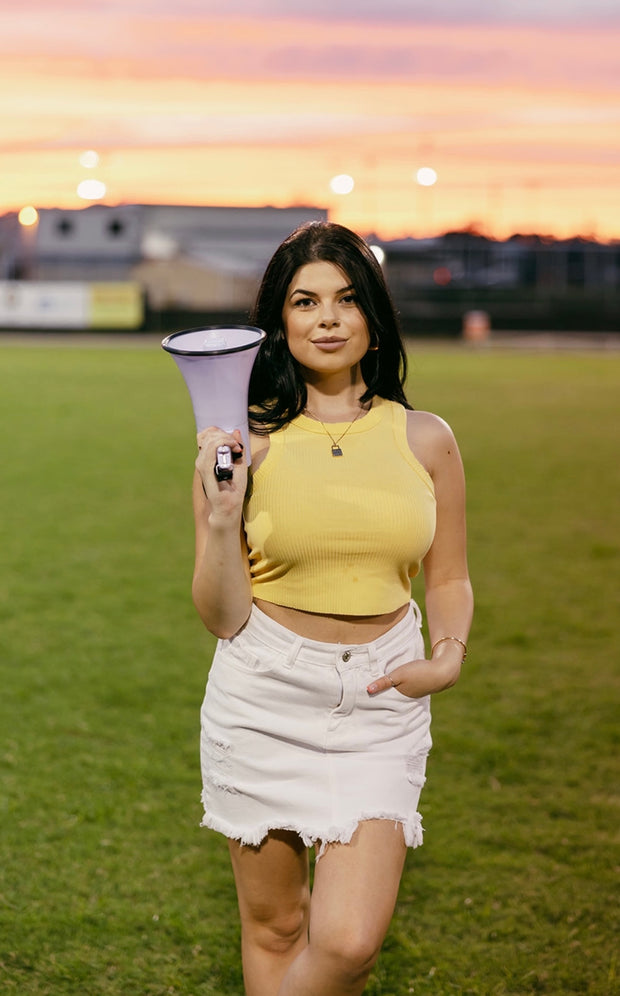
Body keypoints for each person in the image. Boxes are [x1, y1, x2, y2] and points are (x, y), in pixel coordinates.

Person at [192, 221, 473, 996]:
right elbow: (220, 615)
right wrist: (221, 519)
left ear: (372, 317)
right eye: (305, 300)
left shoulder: (426, 439)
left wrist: (447, 652)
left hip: (382, 698)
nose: (326, 318)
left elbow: (448, 576)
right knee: (278, 928)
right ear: (279, 322)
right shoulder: (245, 447)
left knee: (347, 944)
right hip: (264, 692)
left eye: (347, 300)